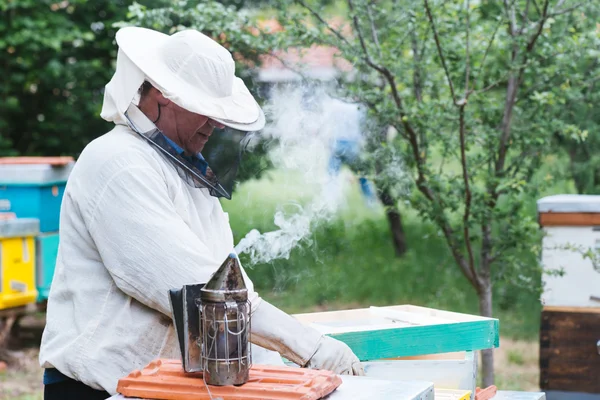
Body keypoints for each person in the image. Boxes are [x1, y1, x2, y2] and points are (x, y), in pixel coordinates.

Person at [38, 27, 363, 400]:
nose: (218, 123)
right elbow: (202, 291)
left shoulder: (187, 174)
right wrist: (310, 347)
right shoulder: (118, 163)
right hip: (97, 388)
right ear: (162, 93)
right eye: (206, 108)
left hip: (161, 386)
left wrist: (277, 369)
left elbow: (233, 296)